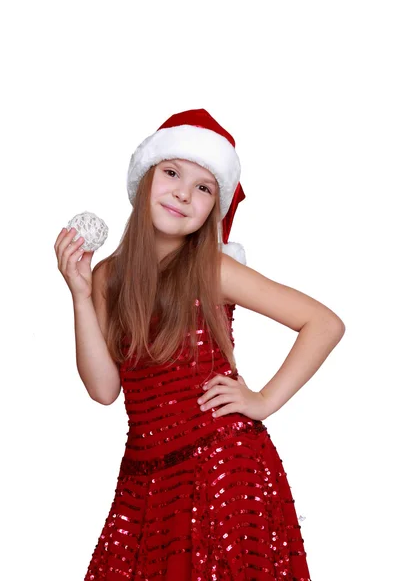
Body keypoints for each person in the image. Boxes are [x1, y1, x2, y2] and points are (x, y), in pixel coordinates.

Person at [54, 108, 345, 580]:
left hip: (221, 466)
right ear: (145, 180)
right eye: (171, 173)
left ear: (215, 206)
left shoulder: (213, 268)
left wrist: (263, 401)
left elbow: (323, 322)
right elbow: (105, 389)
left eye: (204, 187)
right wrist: (82, 296)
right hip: (144, 476)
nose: (183, 193)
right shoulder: (108, 275)